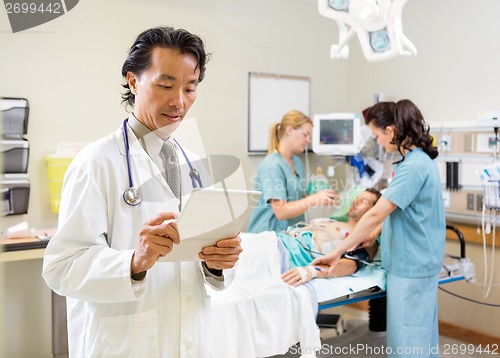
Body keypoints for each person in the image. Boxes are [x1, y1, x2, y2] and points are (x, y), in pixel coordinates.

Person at [42, 27, 242, 357]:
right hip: (125, 343)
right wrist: (134, 262)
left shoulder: (195, 164)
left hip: (189, 339)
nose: (179, 101)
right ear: (133, 82)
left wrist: (218, 263)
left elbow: (209, 271)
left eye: (190, 88)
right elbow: (61, 267)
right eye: (166, 85)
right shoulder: (96, 163)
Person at [313, 99, 445, 358]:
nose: (378, 142)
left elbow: (375, 214)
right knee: (421, 336)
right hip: (421, 260)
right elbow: (395, 214)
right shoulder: (421, 162)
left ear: (391, 131)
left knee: (408, 341)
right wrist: (373, 233)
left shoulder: (413, 166)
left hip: (411, 266)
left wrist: (337, 251)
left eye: (377, 135)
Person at [247, 109, 338, 233]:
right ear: (290, 130)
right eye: (305, 135)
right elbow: (281, 212)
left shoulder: (296, 162)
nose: (308, 141)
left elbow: (299, 198)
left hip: (291, 234)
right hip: (268, 237)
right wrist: (314, 199)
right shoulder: (272, 165)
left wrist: (321, 196)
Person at [280, 188, 382, 286]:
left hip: (289, 253)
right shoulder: (334, 220)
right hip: (280, 239)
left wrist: (312, 271)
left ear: (374, 211)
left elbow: (352, 264)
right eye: (356, 198)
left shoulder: (365, 237)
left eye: (363, 201)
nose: (355, 202)